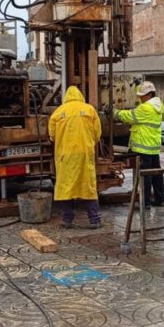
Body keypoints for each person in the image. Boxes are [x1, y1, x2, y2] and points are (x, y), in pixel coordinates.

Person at [49, 86, 102, 229]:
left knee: (67, 186)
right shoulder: (89, 109)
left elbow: (52, 136)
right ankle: (94, 220)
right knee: (88, 185)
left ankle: (67, 220)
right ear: (80, 96)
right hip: (85, 153)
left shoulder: (57, 113)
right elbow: (97, 133)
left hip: (65, 155)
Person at [114, 81, 164, 209]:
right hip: (153, 146)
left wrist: (115, 113)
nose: (140, 98)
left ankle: (145, 203)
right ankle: (160, 199)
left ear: (149, 95)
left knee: (144, 175)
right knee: (156, 173)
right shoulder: (158, 106)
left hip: (143, 146)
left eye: (142, 95)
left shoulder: (145, 108)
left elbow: (130, 116)